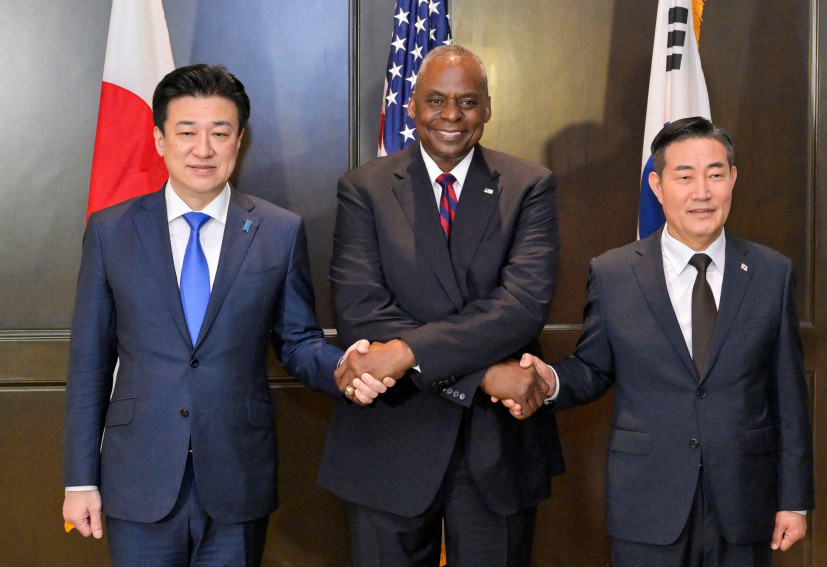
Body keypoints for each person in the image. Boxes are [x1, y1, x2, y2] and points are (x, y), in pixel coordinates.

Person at [61, 64, 386, 566]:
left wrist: (345, 369)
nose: (203, 149)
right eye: (186, 132)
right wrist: (80, 479)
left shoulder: (279, 231)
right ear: (159, 139)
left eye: (220, 132)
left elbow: (298, 342)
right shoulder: (111, 231)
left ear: (240, 140)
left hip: (237, 476)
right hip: (137, 478)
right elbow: (89, 365)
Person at [504, 116, 815, 566]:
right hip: (647, 502)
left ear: (732, 179)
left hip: (745, 502)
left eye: (715, 174)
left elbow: (788, 394)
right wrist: (548, 380)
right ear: (657, 184)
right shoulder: (614, 273)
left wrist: (794, 499)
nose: (701, 192)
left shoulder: (771, 272)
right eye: (684, 176)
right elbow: (593, 368)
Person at [320, 45, 564, 567]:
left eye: (467, 101)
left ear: (488, 108)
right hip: (391, 439)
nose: (451, 116)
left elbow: (521, 307)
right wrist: (479, 377)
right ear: (411, 106)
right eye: (436, 100)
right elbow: (362, 313)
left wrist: (405, 351)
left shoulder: (529, 186)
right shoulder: (363, 188)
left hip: (496, 446)